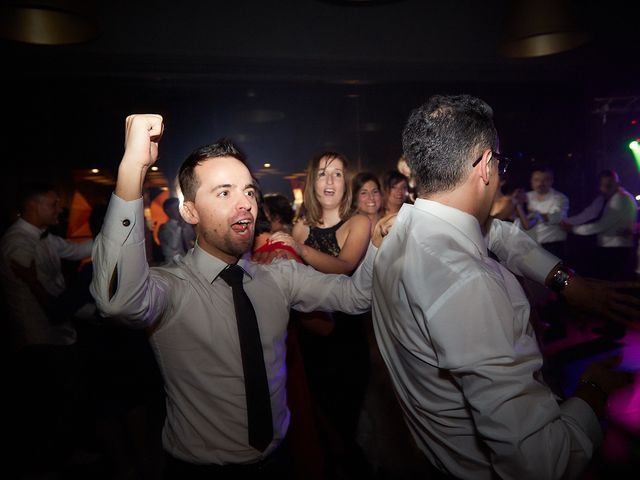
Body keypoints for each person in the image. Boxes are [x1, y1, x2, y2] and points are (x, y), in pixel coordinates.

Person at [90, 115, 380, 479]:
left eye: (248, 191)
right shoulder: (171, 286)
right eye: (224, 192)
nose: (244, 203)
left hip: (282, 463)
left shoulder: (279, 275)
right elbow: (117, 301)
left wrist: (379, 238)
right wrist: (133, 167)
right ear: (189, 210)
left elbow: (357, 296)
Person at [372, 94, 633, 479]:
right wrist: (593, 390)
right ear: (485, 165)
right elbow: (541, 464)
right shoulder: (468, 281)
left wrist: (564, 280)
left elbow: (496, 234)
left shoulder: (396, 236)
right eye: (500, 161)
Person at [0, 183, 94, 474]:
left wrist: (118, 235)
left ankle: (68, 454)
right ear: (33, 206)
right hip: (39, 339)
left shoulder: (48, 239)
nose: (60, 209)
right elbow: (42, 300)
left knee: (64, 403)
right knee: (49, 409)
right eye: (53, 204)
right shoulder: (18, 242)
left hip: (59, 334)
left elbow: (78, 251)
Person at [290, 152, 372, 478]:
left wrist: (300, 250)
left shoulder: (359, 222)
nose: (330, 181)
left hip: (348, 341)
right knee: (320, 424)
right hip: (310, 341)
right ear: (313, 181)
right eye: (323, 174)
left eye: (337, 174)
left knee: (348, 420)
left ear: (346, 183)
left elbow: (345, 266)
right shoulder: (299, 228)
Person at [563, 169, 637, 281]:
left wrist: (573, 229)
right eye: (603, 185)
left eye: (609, 185)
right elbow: (587, 214)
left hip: (618, 250)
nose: (604, 188)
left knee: (614, 285)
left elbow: (601, 226)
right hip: (605, 248)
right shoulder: (603, 198)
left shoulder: (621, 199)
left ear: (617, 184)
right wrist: (565, 222)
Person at [526, 165, 570, 258]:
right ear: (531, 181)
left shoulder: (560, 198)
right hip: (530, 247)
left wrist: (533, 213)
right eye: (536, 180)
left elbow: (556, 217)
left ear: (552, 180)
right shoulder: (526, 197)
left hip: (553, 247)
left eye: (545, 179)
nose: (540, 183)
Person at [158, 196, 195, 262]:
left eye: (179, 207)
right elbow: (173, 245)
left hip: (188, 260)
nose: (179, 210)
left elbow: (191, 238)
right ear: (168, 211)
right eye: (176, 208)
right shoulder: (165, 228)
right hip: (173, 263)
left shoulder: (185, 224)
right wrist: (179, 227)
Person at [352, 171, 383, 236]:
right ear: (355, 198)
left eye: (375, 192)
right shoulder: (348, 228)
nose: (371, 197)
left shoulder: (392, 226)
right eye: (364, 193)